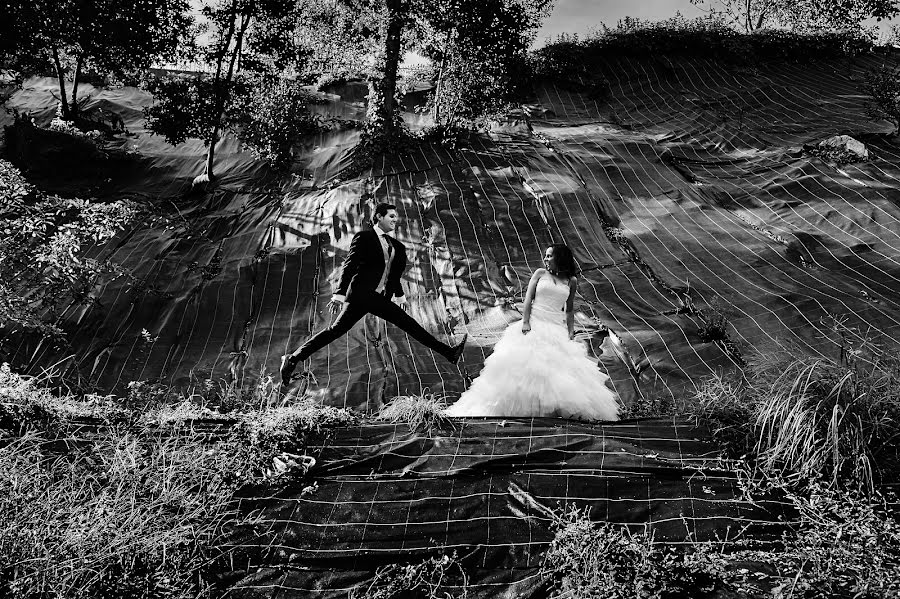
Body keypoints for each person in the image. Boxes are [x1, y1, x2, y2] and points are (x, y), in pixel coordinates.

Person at [280, 202, 467, 385]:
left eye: (396, 217)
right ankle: (449, 353)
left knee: (335, 330)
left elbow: (393, 274)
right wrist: (339, 294)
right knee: (408, 324)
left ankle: (293, 359)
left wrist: (400, 295)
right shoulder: (364, 238)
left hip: (377, 297)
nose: (395, 220)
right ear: (379, 216)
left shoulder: (395, 245)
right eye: (391, 216)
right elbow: (350, 265)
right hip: (362, 293)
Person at [445, 244, 620, 420]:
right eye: (545, 256)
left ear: (560, 258)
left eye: (549, 256)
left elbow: (569, 309)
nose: (545, 259)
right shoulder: (540, 274)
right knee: (527, 364)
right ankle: (520, 407)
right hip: (536, 321)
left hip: (555, 326)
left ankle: (555, 409)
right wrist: (526, 322)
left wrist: (570, 331)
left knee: (555, 368)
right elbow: (528, 299)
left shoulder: (570, 281)